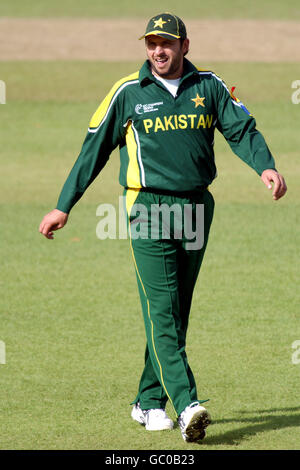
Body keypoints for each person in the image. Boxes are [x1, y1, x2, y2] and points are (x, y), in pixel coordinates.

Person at [39, 13, 287, 442]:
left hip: (195, 208)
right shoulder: (128, 93)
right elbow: (92, 151)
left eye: (167, 43)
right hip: (146, 208)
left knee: (175, 312)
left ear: (185, 45)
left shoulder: (208, 86)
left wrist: (265, 166)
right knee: (162, 309)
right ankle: (188, 404)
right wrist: (64, 206)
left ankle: (148, 402)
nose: (158, 50)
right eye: (152, 43)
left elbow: (241, 128)